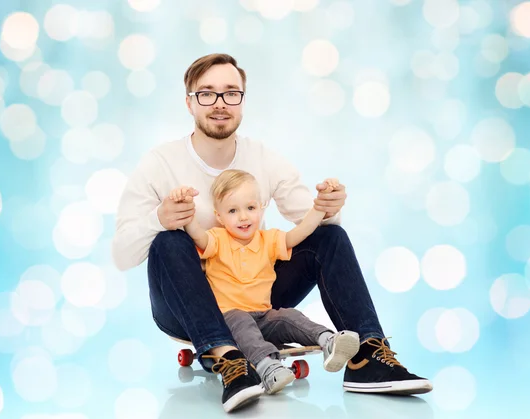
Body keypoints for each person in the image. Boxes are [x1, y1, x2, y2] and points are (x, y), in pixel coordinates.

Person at [112, 53, 433, 413]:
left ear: (242, 101)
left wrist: (329, 203)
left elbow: (317, 223)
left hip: (253, 295)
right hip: (184, 304)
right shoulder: (160, 162)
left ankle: (367, 358)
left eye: (231, 93)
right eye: (207, 93)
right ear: (189, 102)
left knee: (330, 237)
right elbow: (122, 254)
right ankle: (230, 361)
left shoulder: (262, 157)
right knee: (169, 240)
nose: (220, 103)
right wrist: (159, 217)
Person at [170, 170, 361, 399]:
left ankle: (329, 340)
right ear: (219, 216)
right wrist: (186, 207)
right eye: (233, 211)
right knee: (241, 321)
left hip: (264, 315)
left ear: (261, 208)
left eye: (250, 208)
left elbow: (299, 233)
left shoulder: (268, 240)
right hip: (229, 319)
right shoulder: (217, 239)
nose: (243, 217)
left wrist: (319, 208)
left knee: (289, 316)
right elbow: (196, 235)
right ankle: (268, 367)